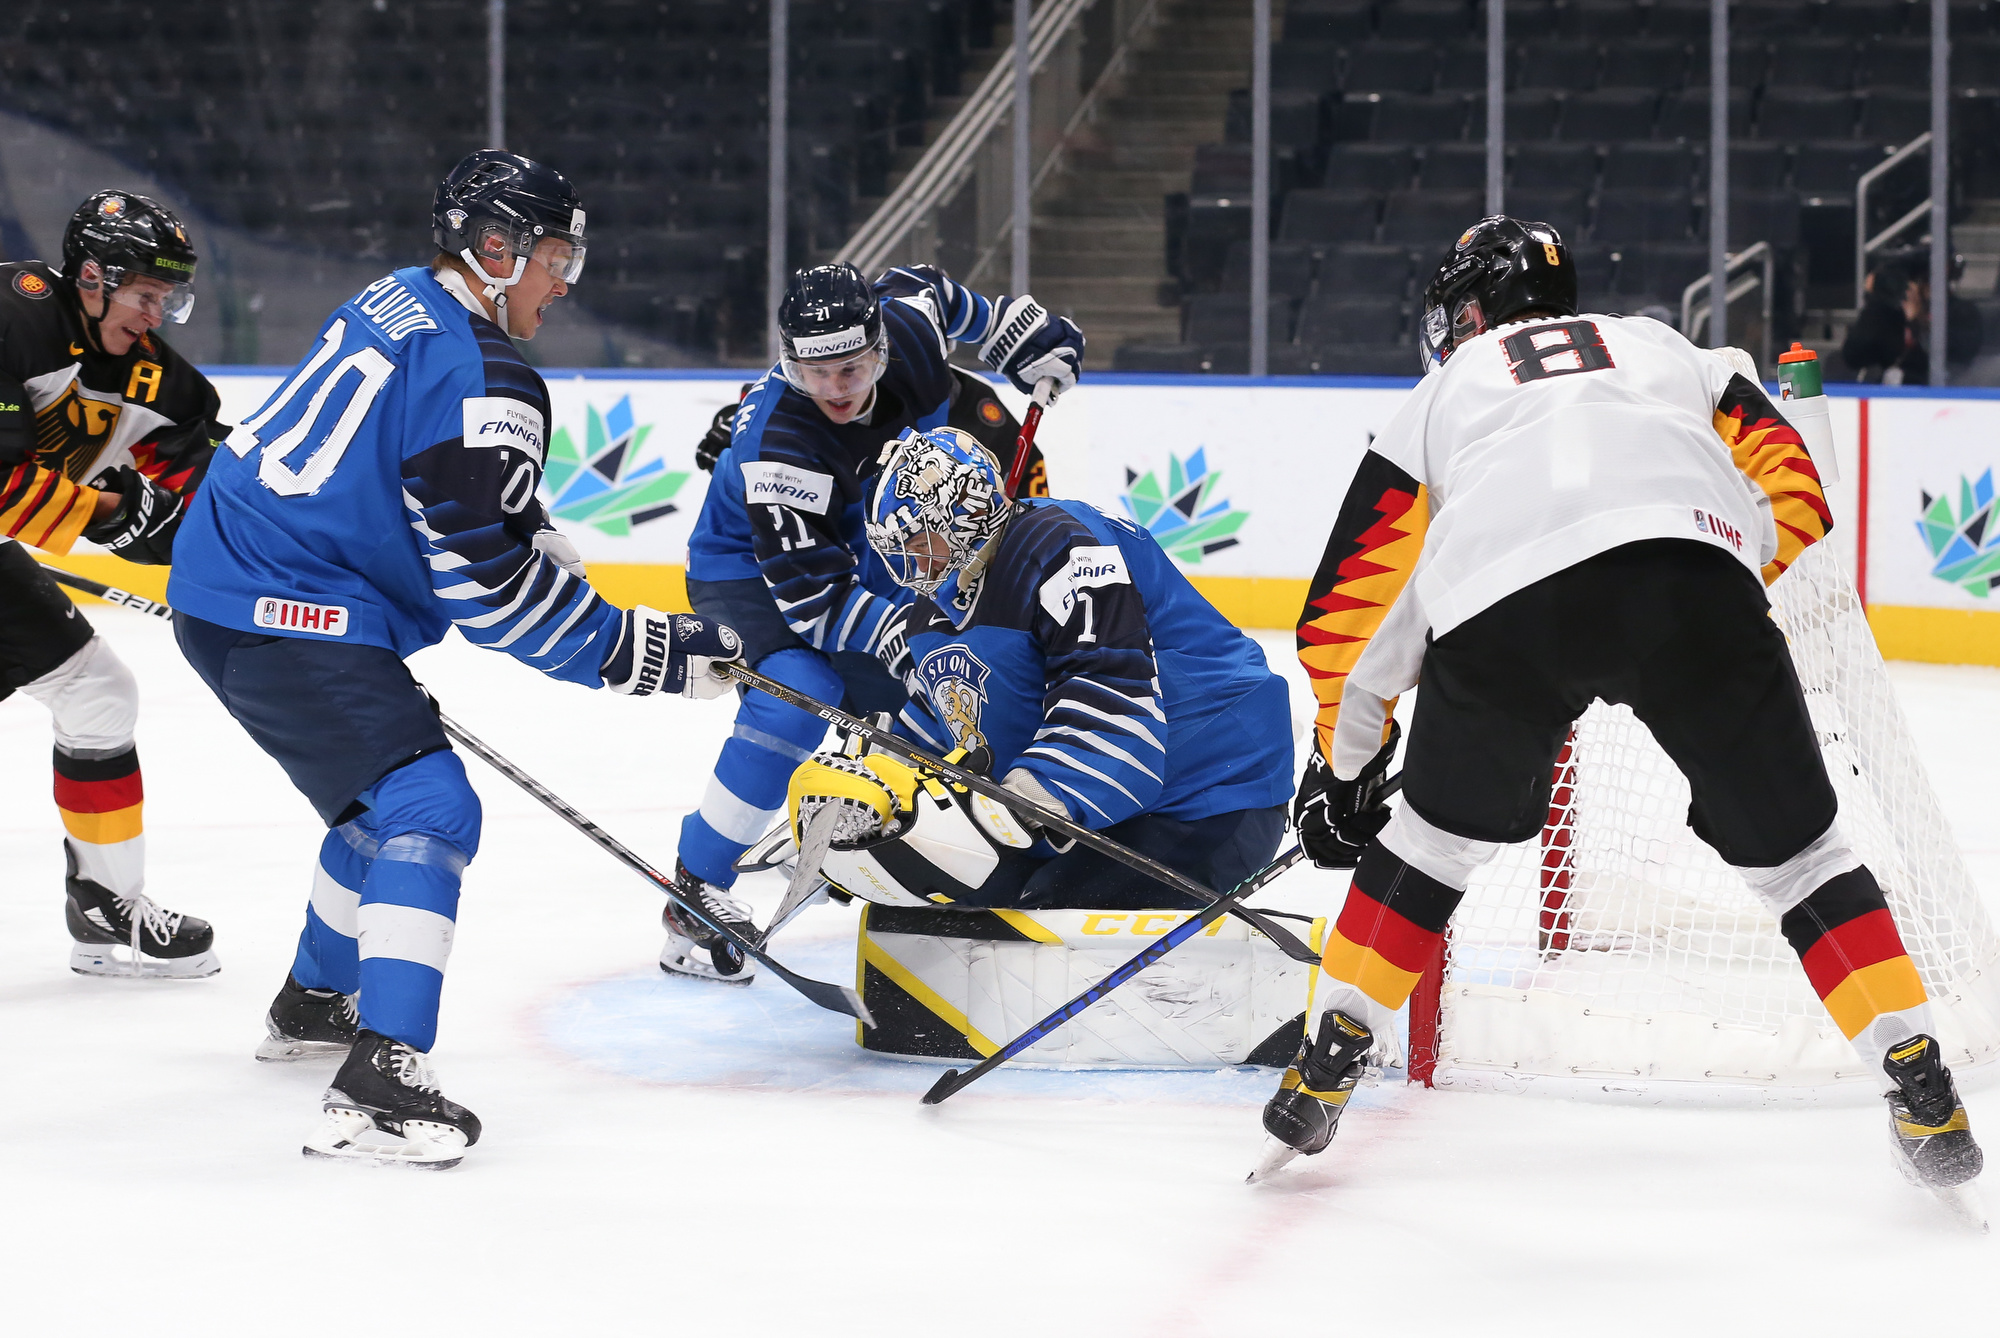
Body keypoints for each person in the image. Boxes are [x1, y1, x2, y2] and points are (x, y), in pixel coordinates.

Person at [1261, 216, 1981, 1197]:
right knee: (1805, 863)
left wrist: (1344, 771)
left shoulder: (1444, 390)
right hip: (1695, 582)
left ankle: (1324, 1067)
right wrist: (1713, 567)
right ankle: (1917, 1078)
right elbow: (1796, 486)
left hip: (1502, 604)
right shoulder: (1667, 346)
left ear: (1472, 310)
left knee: (1426, 849)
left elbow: (1347, 610)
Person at [166, 150, 744, 1167]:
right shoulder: (491, 374)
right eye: (556, 257)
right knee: (429, 807)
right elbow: (493, 597)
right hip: (291, 608)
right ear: (495, 250)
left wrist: (530, 523)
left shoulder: (395, 296)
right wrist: (641, 650)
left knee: (376, 802)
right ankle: (381, 1080)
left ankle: (315, 1001)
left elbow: (433, 466)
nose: (565, 281)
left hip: (229, 583)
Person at [670, 261, 1084, 981]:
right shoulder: (778, 446)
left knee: (953, 694)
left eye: (851, 368)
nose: (836, 388)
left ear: (881, 346)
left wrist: (1011, 331)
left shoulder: (911, 331)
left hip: (869, 538)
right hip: (747, 567)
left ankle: (886, 833)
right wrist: (912, 648)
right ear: (789, 364)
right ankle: (695, 891)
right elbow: (816, 603)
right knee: (800, 692)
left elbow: (932, 288)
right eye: (815, 373)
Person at [776, 424, 1292, 913]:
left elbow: (1110, 696)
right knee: (952, 905)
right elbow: (956, 719)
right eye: (897, 548)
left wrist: (1023, 801)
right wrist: (883, 785)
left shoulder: (1062, 547)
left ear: (965, 513)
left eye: (919, 541)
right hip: (1103, 803)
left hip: (1212, 789)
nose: (909, 563)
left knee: (1048, 917)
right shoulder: (934, 608)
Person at [0, 189, 228, 977]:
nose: (157, 315)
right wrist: (113, 513)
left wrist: (270, 560)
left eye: (168, 298)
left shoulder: (154, 377)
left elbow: (213, 488)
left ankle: (106, 909)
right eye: (146, 295)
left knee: (96, 693)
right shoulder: (13, 318)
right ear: (92, 277)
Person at [1842, 255, 1983, 385]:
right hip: (1891, 396)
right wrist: (1874, 302)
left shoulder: (1962, 313)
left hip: (1941, 392)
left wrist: (1917, 321)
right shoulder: (1891, 314)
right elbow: (1853, 357)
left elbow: (1951, 358)